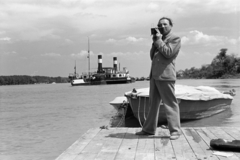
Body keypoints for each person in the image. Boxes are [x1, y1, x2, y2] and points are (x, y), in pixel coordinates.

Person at [135, 17, 181, 140]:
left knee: (170, 103)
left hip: (166, 76)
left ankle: (175, 131)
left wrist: (159, 41)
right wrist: (155, 41)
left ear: (171, 25)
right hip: (154, 76)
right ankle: (148, 129)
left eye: (165, 24)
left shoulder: (175, 38)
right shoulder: (159, 39)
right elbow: (152, 56)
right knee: (153, 104)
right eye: (160, 24)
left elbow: (168, 53)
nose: (162, 26)